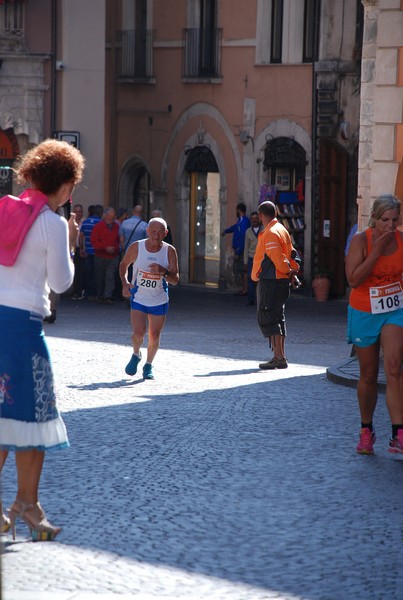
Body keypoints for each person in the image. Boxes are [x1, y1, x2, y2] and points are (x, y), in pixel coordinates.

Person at [0, 138, 85, 540]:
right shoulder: (52, 223)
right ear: (65, 185)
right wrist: (68, 239)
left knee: (4, 415)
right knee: (32, 415)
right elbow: (62, 283)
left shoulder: (3, 209)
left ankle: (24, 508)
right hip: (24, 328)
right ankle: (27, 504)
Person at [345, 194, 403, 455]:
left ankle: (398, 434)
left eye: (395, 220)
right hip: (364, 311)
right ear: (374, 219)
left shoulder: (402, 241)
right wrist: (376, 251)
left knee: (393, 367)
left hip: (394, 311)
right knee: (368, 375)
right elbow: (354, 279)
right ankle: (366, 429)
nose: (390, 226)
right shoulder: (361, 240)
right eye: (385, 220)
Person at [119, 217, 179, 380]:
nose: (156, 234)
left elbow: (175, 280)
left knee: (154, 335)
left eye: (160, 231)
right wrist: (125, 283)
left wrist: (163, 271)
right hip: (138, 297)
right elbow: (124, 265)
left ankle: (148, 365)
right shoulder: (137, 247)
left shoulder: (169, 251)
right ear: (147, 231)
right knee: (138, 332)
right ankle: (136, 354)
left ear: (165, 233)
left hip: (159, 299)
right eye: (153, 231)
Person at [252, 201, 300, 370]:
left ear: (260, 216)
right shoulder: (282, 229)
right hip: (280, 280)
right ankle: (281, 356)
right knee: (278, 316)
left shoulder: (271, 232)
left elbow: (277, 259)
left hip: (271, 280)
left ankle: (278, 357)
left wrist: (287, 271)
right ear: (276, 213)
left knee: (268, 315)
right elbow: (293, 253)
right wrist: (293, 271)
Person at [90, 206, 120, 304]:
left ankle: (108, 296)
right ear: (106, 215)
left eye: (114, 214)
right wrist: (105, 247)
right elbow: (94, 241)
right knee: (99, 276)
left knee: (109, 275)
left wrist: (115, 248)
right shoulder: (98, 226)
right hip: (100, 255)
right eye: (112, 214)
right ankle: (100, 295)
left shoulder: (117, 227)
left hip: (113, 256)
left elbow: (120, 240)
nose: (115, 216)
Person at [222, 202, 251, 295]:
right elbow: (234, 228)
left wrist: (238, 251)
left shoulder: (244, 221)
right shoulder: (240, 221)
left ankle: (244, 289)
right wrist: (226, 231)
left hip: (241, 250)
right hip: (239, 249)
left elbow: (243, 236)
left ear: (238, 210)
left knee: (241, 270)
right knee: (240, 270)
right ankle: (243, 288)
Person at [80, 204, 103, 300]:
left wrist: (82, 248)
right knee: (97, 274)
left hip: (88, 251)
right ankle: (95, 293)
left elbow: (81, 236)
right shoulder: (100, 223)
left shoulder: (85, 222)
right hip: (97, 252)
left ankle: (87, 292)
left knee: (88, 273)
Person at [243, 211, 263, 306]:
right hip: (252, 258)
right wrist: (245, 261)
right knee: (251, 279)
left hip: (262, 259)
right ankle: (251, 299)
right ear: (251, 220)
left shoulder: (264, 230)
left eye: (256, 218)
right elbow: (246, 247)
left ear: (259, 219)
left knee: (261, 279)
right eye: (253, 218)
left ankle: (262, 299)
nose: (254, 220)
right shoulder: (248, 232)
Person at [71, 203, 85, 299]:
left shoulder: (84, 223)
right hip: (71, 249)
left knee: (80, 271)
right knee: (73, 271)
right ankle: (74, 291)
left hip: (81, 249)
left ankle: (79, 291)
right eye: (76, 211)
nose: (78, 213)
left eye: (80, 211)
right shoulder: (70, 222)